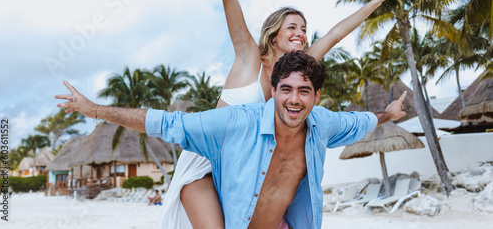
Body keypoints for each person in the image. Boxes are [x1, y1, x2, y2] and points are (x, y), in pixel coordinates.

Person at [168, 0, 401, 228]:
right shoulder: (248, 56)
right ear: (274, 33)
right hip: (206, 162)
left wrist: (374, 2)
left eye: (304, 29)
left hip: (245, 169)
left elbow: (334, 34)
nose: (301, 34)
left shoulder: (295, 72)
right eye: (292, 26)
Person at [55, 51, 407, 228]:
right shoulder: (236, 124)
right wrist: (96, 110)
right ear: (273, 90)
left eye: (304, 91)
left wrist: (388, 114)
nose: (294, 100)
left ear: (316, 96)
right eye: (286, 89)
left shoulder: (324, 124)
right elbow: (164, 122)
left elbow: (360, 121)